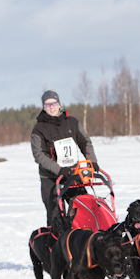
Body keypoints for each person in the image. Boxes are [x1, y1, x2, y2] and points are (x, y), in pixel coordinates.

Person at [31, 90, 100, 225]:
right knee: (55, 218)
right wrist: (59, 169)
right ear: (43, 107)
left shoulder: (72, 122)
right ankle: (55, 244)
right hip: (50, 178)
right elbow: (39, 155)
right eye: (47, 104)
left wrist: (92, 161)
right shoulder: (38, 129)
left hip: (74, 175)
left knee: (83, 211)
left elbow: (85, 142)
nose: (51, 107)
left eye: (54, 103)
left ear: (59, 104)